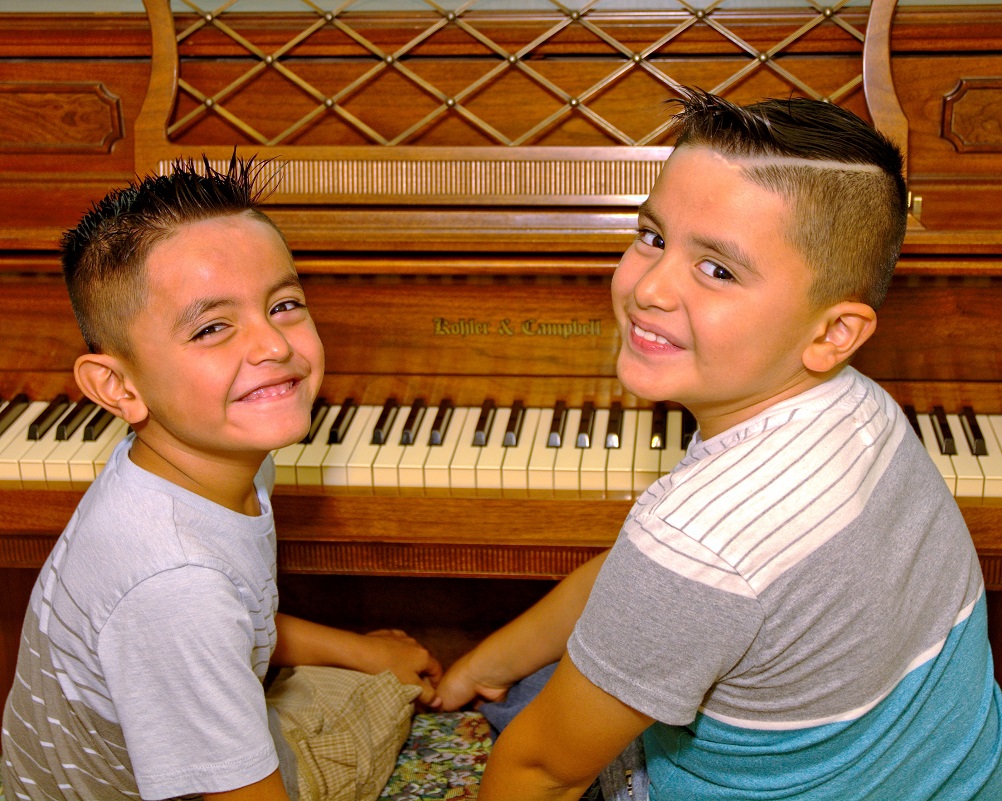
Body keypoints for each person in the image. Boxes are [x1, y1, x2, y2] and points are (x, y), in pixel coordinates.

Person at [437, 89, 1002, 800]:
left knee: (528, 736)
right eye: (652, 236)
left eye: (718, 269)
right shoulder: (867, 410)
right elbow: (656, 580)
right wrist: (485, 661)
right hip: (951, 775)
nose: (650, 289)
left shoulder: (693, 540)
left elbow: (542, 770)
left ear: (834, 334)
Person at [1, 156, 443, 801]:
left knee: (380, 668)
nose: (272, 345)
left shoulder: (187, 461)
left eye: (284, 304)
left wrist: (358, 649)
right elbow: (203, 609)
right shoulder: (175, 587)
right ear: (117, 386)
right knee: (412, 697)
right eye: (213, 327)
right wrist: (375, 670)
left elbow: (241, 614)